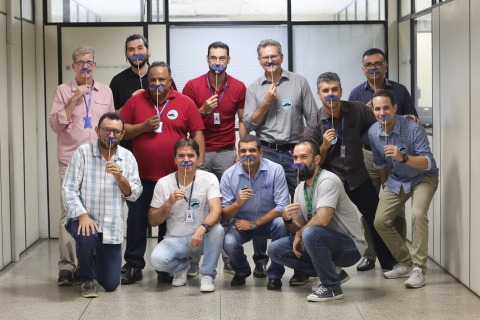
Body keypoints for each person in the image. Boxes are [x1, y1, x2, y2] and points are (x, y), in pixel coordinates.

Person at [119, 61, 205, 285]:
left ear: (170, 80)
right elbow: (122, 130)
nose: (156, 84)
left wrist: (198, 165)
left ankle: (165, 266)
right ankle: (134, 265)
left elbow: (197, 133)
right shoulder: (136, 100)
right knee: (137, 221)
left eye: (161, 80)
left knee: (169, 223)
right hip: (141, 177)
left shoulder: (185, 102)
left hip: (172, 178)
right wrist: (143, 127)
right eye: (152, 80)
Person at [303, 72, 397, 271]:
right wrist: (325, 146)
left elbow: (381, 125)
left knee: (375, 219)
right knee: (325, 223)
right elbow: (311, 162)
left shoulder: (357, 110)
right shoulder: (313, 124)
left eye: (334, 89)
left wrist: (402, 121)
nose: (331, 94)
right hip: (331, 181)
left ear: (341, 91)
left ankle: (388, 263)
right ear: (319, 94)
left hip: (357, 176)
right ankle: (329, 267)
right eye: (326, 91)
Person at [243, 39, 317, 285]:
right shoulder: (253, 88)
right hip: (267, 153)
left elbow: (313, 120)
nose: (270, 61)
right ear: (260, 61)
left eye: (274, 56)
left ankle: (300, 266)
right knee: (263, 208)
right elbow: (250, 124)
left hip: (294, 154)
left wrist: (302, 149)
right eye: (265, 57)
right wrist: (265, 102)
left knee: (298, 208)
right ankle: (264, 264)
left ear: (281, 57)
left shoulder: (299, 83)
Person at [182, 41, 250, 276]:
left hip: (227, 154)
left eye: (222, 58)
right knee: (197, 206)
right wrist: (202, 110)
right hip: (199, 153)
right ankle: (193, 260)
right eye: (214, 58)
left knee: (225, 208)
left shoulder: (239, 87)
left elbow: (243, 121)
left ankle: (229, 259)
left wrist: (242, 150)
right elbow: (186, 119)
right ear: (207, 59)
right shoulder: (192, 85)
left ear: (228, 60)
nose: (217, 62)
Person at [349, 48, 419, 272]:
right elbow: (350, 130)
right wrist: (366, 113)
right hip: (368, 156)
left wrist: (402, 118)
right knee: (370, 208)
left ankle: (398, 256)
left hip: (396, 156)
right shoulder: (356, 94)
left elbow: (413, 120)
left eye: (378, 63)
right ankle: (370, 254)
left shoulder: (399, 90)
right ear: (363, 69)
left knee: (395, 209)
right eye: (369, 65)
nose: (373, 68)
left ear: (385, 66)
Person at [268, 140, 367, 302]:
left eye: (303, 157)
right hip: (323, 242)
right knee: (275, 250)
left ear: (317, 159)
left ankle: (332, 287)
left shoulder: (328, 180)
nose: (298, 162)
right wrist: (287, 220)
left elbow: (322, 220)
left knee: (311, 232)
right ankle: (334, 272)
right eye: (295, 158)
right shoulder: (300, 188)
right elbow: (298, 227)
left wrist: (301, 232)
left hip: (350, 246)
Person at [49, 46, 115, 286]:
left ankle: (89, 263)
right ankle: (67, 266)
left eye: (89, 62)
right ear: (74, 66)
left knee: (94, 212)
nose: (85, 66)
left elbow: (111, 126)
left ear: (95, 65)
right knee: (69, 213)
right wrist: (75, 97)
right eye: (80, 62)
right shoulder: (63, 91)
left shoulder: (105, 92)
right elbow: (55, 125)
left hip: (98, 161)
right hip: (70, 160)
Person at [63, 112, 142, 298]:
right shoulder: (82, 153)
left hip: (110, 227)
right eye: (107, 130)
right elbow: (68, 189)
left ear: (122, 135)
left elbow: (135, 194)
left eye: (116, 132)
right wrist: (82, 215)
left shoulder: (128, 157)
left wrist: (120, 177)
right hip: (83, 219)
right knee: (87, 235)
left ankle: (87, 261)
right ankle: (86, 279)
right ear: (98, 130)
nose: (111, 135)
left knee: (111, 283)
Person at [369, 89, 438, 288]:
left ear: (395, 108)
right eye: (378, 109)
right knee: (380, 221)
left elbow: (428, 162)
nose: (382, 112)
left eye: (386, 108)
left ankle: (418, 268)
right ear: (373, 111)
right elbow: (379, 162)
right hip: (396, 179)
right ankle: (406, 263)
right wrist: (385, 184)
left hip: (423, 178)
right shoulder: (374, 132)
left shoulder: (413, 128)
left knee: (418, 215)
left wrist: (403, 157)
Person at [149, 138, 224, 292]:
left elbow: (217, 210)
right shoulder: (163, 183)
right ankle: (181, 268)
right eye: (181, 156)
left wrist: (202, 228)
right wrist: (168, 203)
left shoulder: (209, 178)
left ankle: (207, 275)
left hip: (202, 238)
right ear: (174, 159)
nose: (186, 160)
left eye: (191, 156)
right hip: (175, 240)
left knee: (218, 230)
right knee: (157, 261)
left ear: (198, 158)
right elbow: (153, 220)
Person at [221, 135, 289, 290]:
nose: (247, 154)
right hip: (241, 223)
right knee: (229, 242)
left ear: (261, 152)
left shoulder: (275, 170)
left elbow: (282, 207)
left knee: (281, 224)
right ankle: (242, 271)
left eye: (252, 150)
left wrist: (253, 224)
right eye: (243, 151)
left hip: (268, 222)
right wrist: (238, 203)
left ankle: (275, 275)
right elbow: (225, 215)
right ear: (238, 153)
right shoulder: (229, 175)